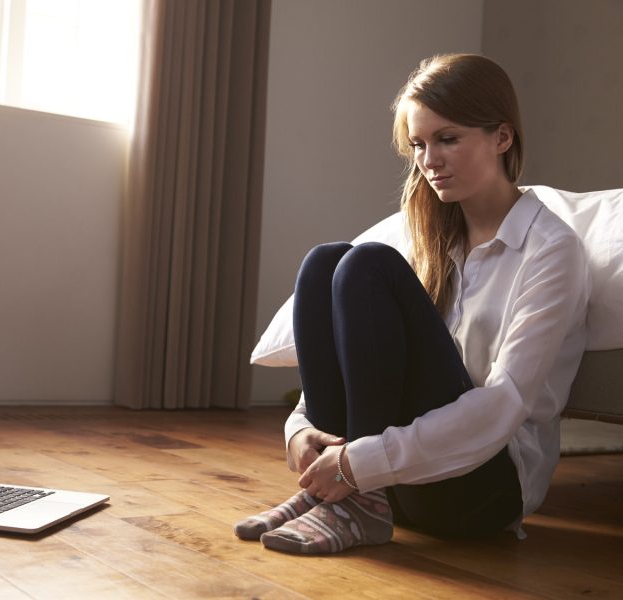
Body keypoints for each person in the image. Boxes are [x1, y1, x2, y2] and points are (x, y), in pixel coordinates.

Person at [233, 53, 591, 554]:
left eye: (448, 139)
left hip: (479, 492)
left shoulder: (552, 249)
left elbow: (502, 406)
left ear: (502, 138)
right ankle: (346, 502)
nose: (429, 160)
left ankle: (354, 499)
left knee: (366, 265)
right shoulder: (431, 239)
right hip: (391, 481)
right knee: (327, 262)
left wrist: (359, 465)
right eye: (419, 144)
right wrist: (303, 430)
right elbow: (369, 363)